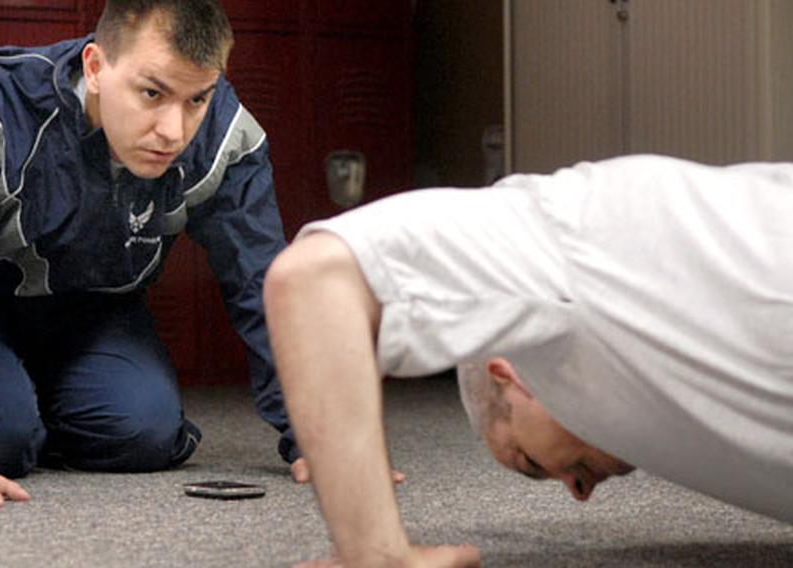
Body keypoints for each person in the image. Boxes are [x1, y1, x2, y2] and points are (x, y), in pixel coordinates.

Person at [263, 154, 793, 567]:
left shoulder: (580, 237)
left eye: (532, 465)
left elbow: (314, 277)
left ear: (513, 377)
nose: (580, 492)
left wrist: (379, 559)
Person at [0, 0, 306, 509]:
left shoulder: (226, 135)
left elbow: (263, 283)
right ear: (96, 66)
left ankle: (15, 400)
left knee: (144, 431)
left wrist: (316, 435)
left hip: (92, 309)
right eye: (152, 93)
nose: (174, 131)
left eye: (197, 99)